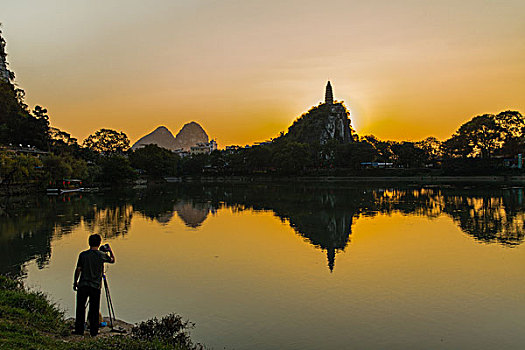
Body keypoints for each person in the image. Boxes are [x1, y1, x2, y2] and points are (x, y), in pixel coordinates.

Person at [72, 234, 115, 336]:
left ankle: (79, 330)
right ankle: (94, 332)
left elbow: (78, 269)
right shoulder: (101, 255)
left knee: (80, 308)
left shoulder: (83, 255)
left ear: (89, 242)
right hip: (95, 287)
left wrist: (75, 282)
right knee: (94, 309)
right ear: (99, 243)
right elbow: (112, 260)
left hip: (83, 285)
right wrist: (110, 250)